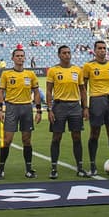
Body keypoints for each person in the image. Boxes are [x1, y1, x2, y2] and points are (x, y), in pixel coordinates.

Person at [0, 47, 42, 180]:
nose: (20, 58)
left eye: (22, 56)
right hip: (11, 108)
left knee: (26, 140)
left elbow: (37, 92)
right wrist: (0, 109)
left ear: (25, 58)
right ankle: (1, 168)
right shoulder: (6, 74)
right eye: (17, 56)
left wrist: (38, 110)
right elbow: (1, 92)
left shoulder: (30, 74)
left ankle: (28, 169)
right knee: (7, 140)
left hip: (26, 108)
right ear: (12, 58)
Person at [45, 44, 85, 179]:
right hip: (59, 106)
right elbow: (49, 91)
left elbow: (83, 90)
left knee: (77, 137)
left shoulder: (77, 70)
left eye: (68, 52)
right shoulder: (53, 71)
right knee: (56, 137)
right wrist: (49, 109)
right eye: (64, 53)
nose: (67, 55)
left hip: (75, 106)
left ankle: (80, 167)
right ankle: (54, 168)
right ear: (59, 55)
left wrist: (85, 108)